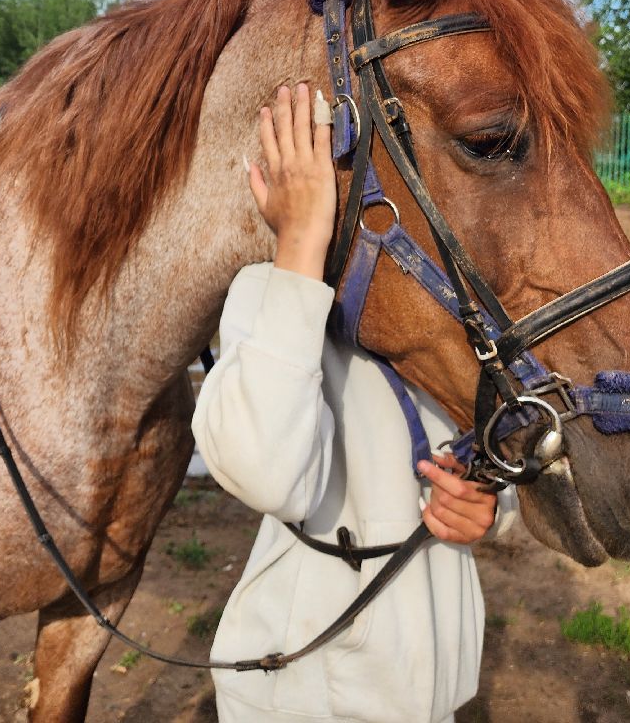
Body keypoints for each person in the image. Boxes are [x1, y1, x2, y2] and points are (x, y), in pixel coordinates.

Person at [192, 82, 519, 723]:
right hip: (306, 688)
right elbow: (268, 477)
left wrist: (491, 504)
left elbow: (494, 438)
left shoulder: (451, 300)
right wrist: (298, 249)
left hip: (429, 683)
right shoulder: (267, 296)